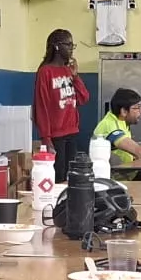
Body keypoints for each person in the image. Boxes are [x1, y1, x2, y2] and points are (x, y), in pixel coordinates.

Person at [33, 28, 91, 173]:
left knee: (70, 176)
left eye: (73, 45)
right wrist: (46, 138)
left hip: (72, 132)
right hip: (55, 136)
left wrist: (75, 76)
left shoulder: (68, 70)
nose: (72, 49)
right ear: (57, 46)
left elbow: (84, 98)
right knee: (58, 177)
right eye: (68, 45)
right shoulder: (45, 72)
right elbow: (41, 106)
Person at [90, 87, 141, 169]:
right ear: (124, 111)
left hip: (125, 174)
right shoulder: (110, 126)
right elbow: (140, 152)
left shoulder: (121, 120)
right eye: (137, 107)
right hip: (112, 178)